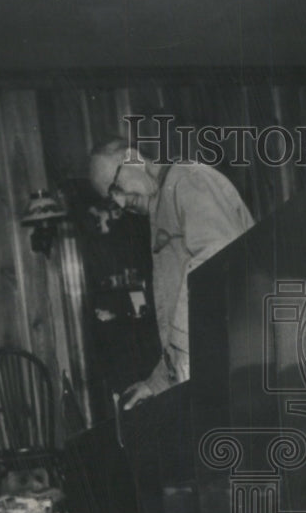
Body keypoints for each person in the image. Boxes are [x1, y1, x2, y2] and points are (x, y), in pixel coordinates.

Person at [89, 138, 254, 408]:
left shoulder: (188, 180)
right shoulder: (162, 203)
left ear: (132, 157)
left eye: (115, 187)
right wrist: (157, 383)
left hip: (241, 362)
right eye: (110, 198)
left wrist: (182, 353)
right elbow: (183, 308)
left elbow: (219, 258)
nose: (118, 203)